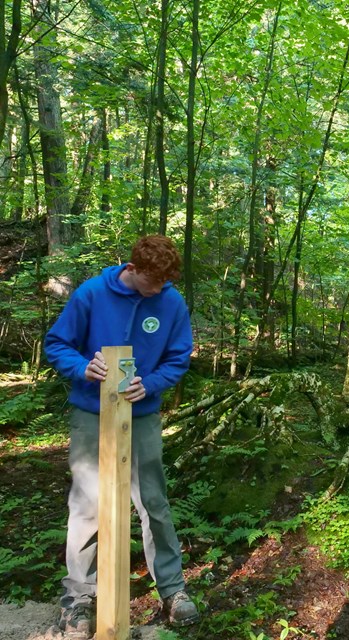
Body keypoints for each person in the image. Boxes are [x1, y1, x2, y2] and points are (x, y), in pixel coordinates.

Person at [44, 235, 199, 639]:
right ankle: (79, 598)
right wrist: (82, 369)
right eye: (154, 283)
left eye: (166, 283)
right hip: (91, 413)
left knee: (153, 501)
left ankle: (172, 590)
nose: (160, 290)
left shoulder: (171, 301)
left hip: (142, 415)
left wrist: (152, 384)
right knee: (87, 503)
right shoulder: (92, 293)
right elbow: (58, 343)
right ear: (132, 270)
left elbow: (179, 356)